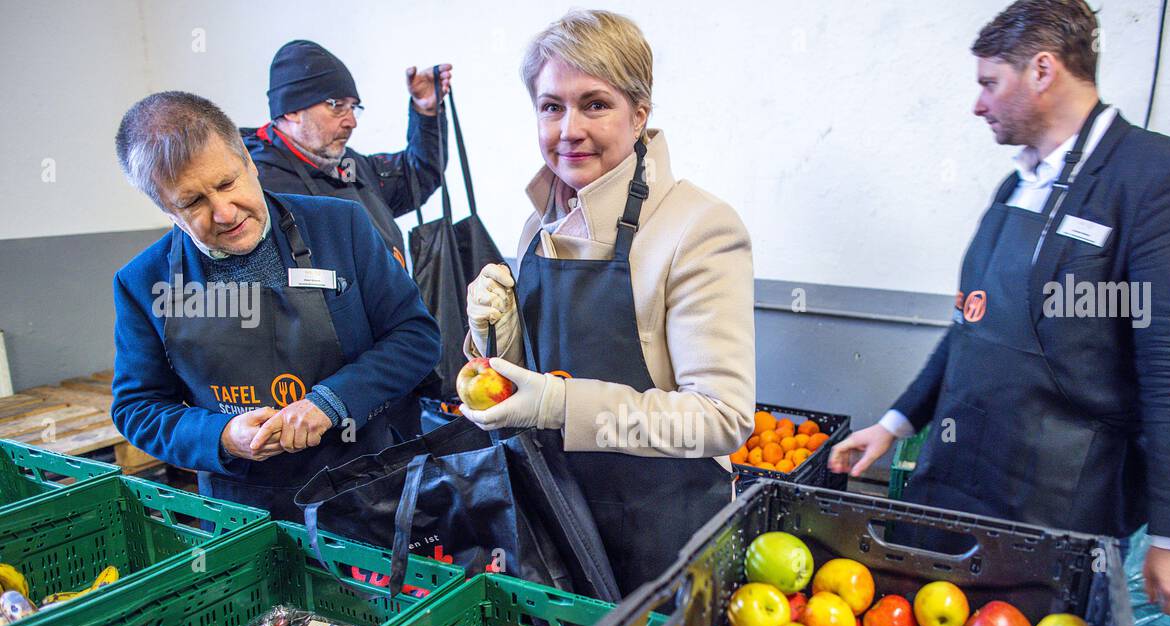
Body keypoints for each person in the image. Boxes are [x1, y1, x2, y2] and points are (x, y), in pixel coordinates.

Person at [830, 0, 1170, 626]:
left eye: (989, 82)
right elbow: (970, 325)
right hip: (960, 479)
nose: (978, 105)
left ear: (1043, 69)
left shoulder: (1156, 180)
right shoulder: (1024, 181)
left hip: (1057, 500)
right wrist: (898, 420)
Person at [459, 9, 755, 594]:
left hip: (664, 537)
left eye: (594, 104)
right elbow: (542, 377)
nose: (568, 128)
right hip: (558, 525)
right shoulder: (535, 224)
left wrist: (557, 404)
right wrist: (497, 336)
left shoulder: (699, 227)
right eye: (551, 106)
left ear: (639, 113)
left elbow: (723, 418)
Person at [110, 91, 440, 519]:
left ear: (248, 160)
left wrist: (330, 403)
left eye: (228, 183)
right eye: (193, 202)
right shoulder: (143, 282)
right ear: (165, 208)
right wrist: (222, 436)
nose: (225, 213)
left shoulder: (341, 227)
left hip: (370, 488)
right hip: (246, 511)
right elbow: (137, 407)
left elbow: (415, 337)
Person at [243, 40, 452, 271]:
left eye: (353, 108)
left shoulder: (350, 165)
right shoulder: (257, 183)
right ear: (292, 110)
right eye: (337, 106)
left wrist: (426, 113)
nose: (351, 122)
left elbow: (417, 175)